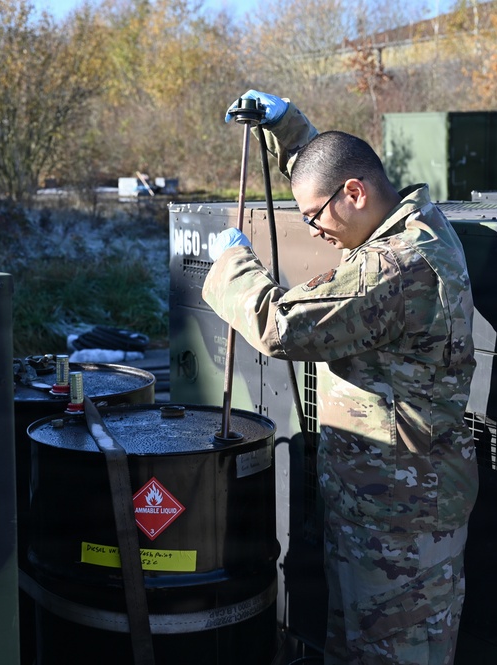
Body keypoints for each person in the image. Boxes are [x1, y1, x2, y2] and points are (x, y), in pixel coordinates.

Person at [205, 90, 479, 665]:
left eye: (313, 217)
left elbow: (280, 326)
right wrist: (288, 128)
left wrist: (231, 262)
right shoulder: (410, 217)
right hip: (381, 507)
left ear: (354, 195)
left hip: (401, 525)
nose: (314, 229)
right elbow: (332, 166)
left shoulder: (394, 266)